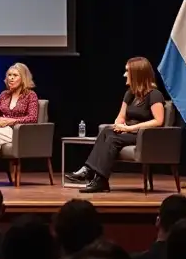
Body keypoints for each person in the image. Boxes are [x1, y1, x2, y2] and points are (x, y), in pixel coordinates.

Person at [65, 55, 166, 193]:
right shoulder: (130, 94)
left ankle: (97, 178)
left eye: (127, 71)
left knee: (112, 138)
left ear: (137, 74)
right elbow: (121, 116)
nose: (125, 74)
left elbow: (158, 121)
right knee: (107, 130)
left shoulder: (154, 95)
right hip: (128, 132)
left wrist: (130, 128)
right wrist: (119, 125)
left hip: (144, 135)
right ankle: (93, 174)